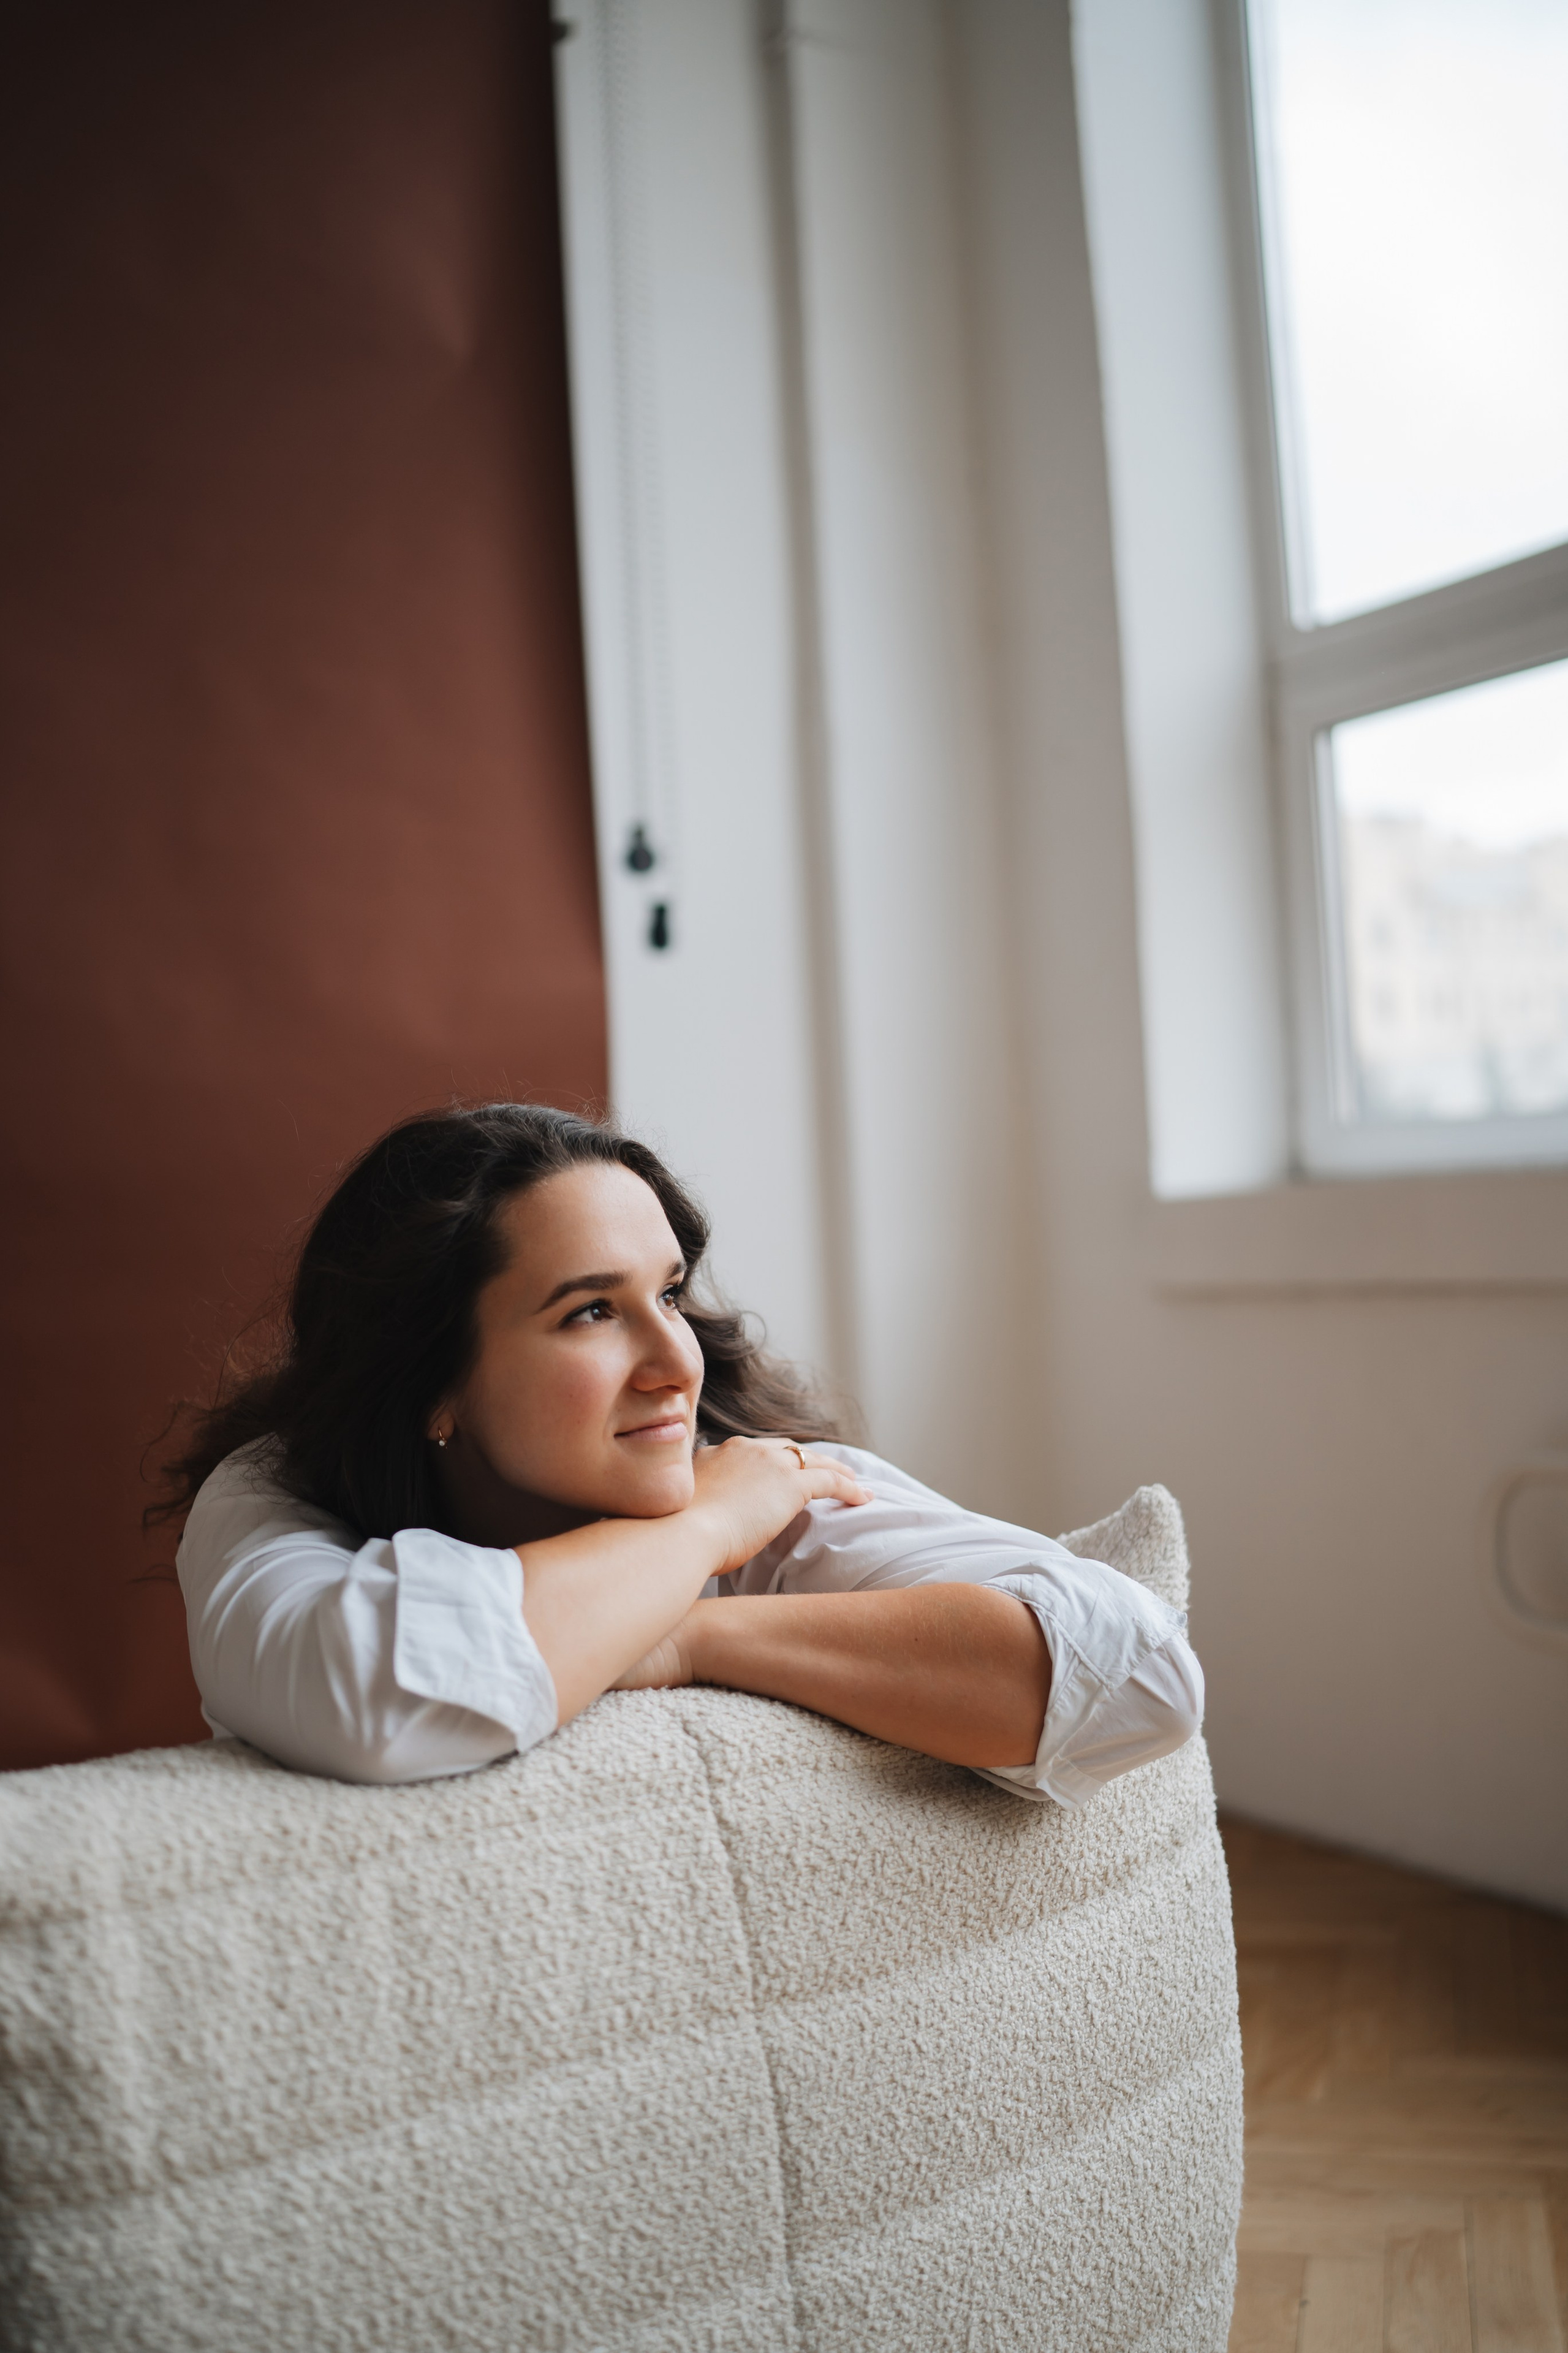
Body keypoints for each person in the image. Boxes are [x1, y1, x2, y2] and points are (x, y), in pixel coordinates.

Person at [163, 1101, 1202, 1801]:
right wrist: (700, 1536)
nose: (676, 1359)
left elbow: (1140, 1678)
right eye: (590, 1313)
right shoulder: (272, 1491)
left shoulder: (748, 1475)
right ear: (433, 1380)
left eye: (667, 1293)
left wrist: (693, 1640)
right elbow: (380, 1692)